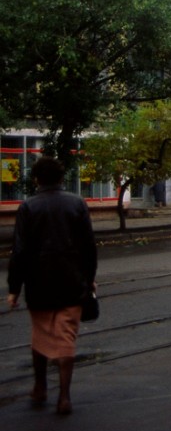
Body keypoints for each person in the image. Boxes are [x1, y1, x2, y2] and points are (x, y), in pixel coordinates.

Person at [6, 156, 97, 416]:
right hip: (72, 281)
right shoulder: (77, 204)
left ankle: (40, 387)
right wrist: (89, 277)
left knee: (41, 335)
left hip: (39, 283)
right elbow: (89, 247)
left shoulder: (28, 207)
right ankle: (65, 397)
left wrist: (14, 289)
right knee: (66, 336)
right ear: (61, 179)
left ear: (36, 179)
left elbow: (20, 251)